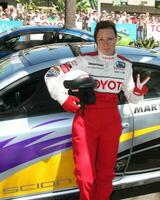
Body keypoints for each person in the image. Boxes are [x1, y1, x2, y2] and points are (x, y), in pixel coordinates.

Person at [44, 20, 150, 200]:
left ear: (116, 39)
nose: (106, 43)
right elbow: (51, 74)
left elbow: (132, 98)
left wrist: (138, 92)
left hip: (111, 122)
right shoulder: (85, 60)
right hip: (85, 121)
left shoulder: (125, 65)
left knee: (106, 175)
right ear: (96, 41)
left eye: (110, 38)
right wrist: (63, 98)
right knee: (85, 177)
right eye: (101, 39)